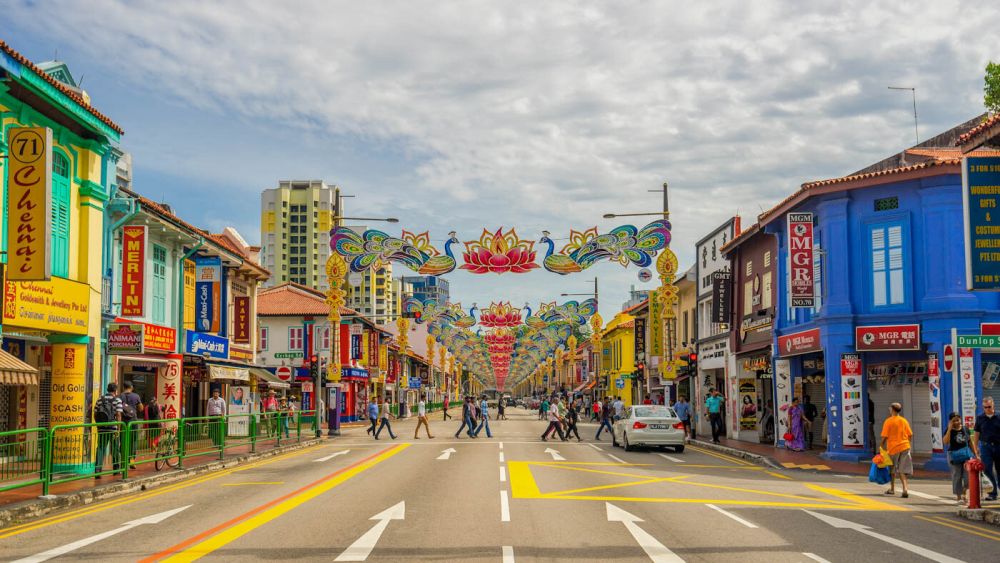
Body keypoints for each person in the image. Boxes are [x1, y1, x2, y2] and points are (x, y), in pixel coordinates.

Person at [880, 402, 913, 498]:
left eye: (890, 408)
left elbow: (885, 437)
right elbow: (910, 434)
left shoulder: (888, 421)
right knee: (902, 470)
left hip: (893, 448)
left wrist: (881, 446)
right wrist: (908, 444)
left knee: (892, 469)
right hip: (905, 446)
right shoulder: (904, 421)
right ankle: (905, 489)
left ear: (892, 410)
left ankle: (892, 489)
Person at [944, 412, 978, 505]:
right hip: (954, 456)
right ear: (950, 421)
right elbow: (946, 442)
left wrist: (976, 454)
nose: (956, 422)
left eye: (957, 420)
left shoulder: (965, 429)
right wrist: (949, 429)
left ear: (960, 420)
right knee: (957, 476)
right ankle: (958, 496)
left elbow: (970, 442)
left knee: (968, 476)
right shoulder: (949, 430)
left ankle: (964, 492)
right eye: (953, 421)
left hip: (966, 455)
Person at [93, 382, 123, 478]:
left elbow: (95, 413)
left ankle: (97, 471)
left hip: (102, 428)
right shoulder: (117, 400)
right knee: (115, 448)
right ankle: (116, 469)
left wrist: (99, 425)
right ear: (115, 390)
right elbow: (118, 414)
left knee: (101, 448)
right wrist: (118, 428)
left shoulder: (99, 399)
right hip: (113, 428)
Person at [974, 396, 1000, 501]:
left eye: (989, 406)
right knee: (987, 469)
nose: (987, 409)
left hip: (998, 446)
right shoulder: (980, 418)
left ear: (993, 405)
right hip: (986, 447)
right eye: (985, 407)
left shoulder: (999, 416)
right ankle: (992, 493)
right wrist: (976, 448)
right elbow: (976, 433)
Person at [120, 382, 143, 469]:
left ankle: (123, 462)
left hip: (123, 422)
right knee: (133, 442)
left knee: (123, 441)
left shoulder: (120, 396)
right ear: (131, 387)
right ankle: (132, 462)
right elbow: (141, 408)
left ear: (123, 387)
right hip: (133, 422)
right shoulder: (136, 396)